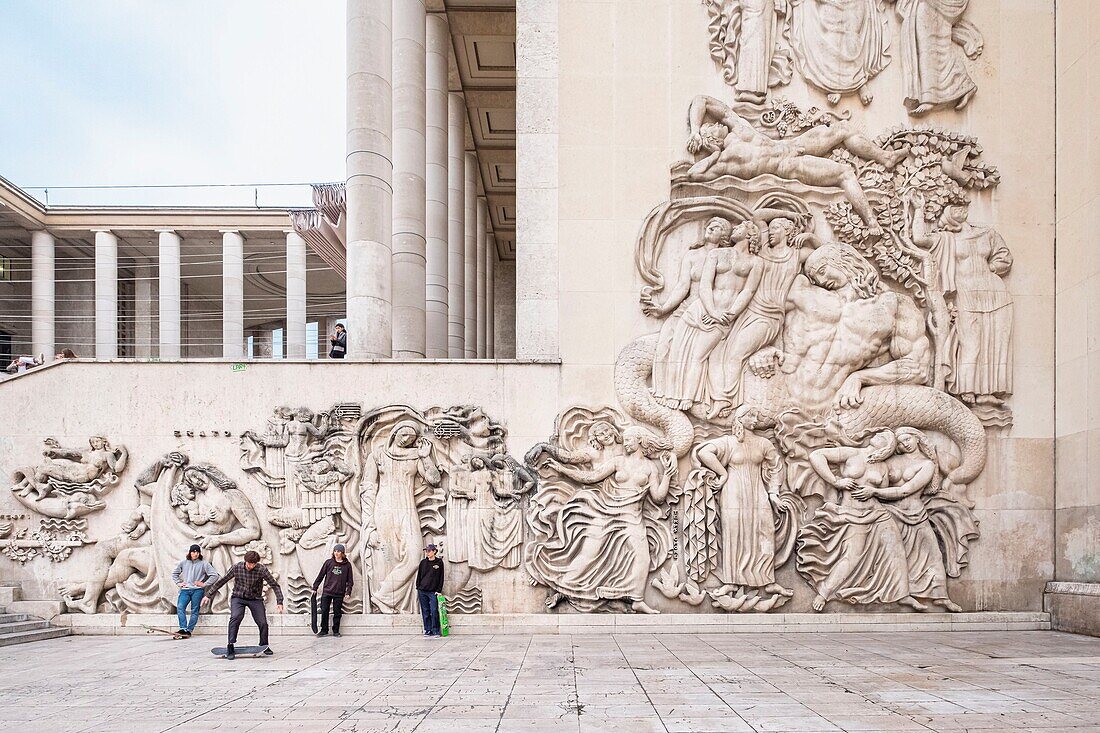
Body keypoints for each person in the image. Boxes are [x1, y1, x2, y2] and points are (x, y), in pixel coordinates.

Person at [201, 550, 284, 659]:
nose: (251, 566)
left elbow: (274, 585)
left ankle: (264, 645)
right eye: (249, 563)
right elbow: (223, 580)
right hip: (238, 598)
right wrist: (208, 595)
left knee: (262, 622)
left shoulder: (261, 569)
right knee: (236, 617)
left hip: (255, 599)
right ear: (245, 561)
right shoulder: (237, 567)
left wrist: (279, 601)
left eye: (254, 564)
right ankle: (230, 645)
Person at [171, 543, 220, 637]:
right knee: (180, 607)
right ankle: (183, 629)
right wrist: (179, 583)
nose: (196, 553)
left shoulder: (204, 563)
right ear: (190, 553)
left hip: (197, 591)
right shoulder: (183, 563)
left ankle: (189, 630)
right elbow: (174, 574)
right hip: (185, 590)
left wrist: (204, 584)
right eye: (193, 551)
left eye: (197, 551)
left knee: (195, 610)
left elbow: (214, 575)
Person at [312, 543, 354, 637]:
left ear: (342, 553)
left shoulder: (347, 565)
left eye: (338, 551)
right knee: (324, 611)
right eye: (335, 551)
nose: (336, 553)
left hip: (339, 593)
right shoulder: (328, 563)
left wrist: (348, 592)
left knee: (337, 613)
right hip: (327, 591)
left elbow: (350, 580)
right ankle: (324, 630)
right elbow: (321, 575)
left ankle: (336, 631)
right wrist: (315, 587)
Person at [415, 544, 444, 637]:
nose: (427, 553)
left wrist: (439, 590)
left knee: (434, 610)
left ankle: (436, 630)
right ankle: (428, 630)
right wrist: (418, 586)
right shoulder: (423, 562)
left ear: (434, 551)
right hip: (422, 590)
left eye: (429, 551)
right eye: (426, 551)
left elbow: (441, 577)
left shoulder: (439, 562)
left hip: (433, 591)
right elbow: (419, 575)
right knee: (425, 611)